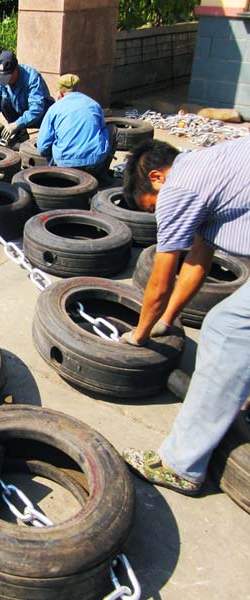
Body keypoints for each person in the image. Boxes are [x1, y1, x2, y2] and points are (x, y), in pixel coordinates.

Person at [119, 136, 250, 496]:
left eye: (151, 207)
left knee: (227, 328)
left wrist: (140, 334)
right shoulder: (208, 170)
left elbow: (161, 281)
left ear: (158, 178)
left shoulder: (178, 190)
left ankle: (181, 465)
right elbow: (197, 262)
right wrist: (167, 321)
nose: (157, 215)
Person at [36, 74, 116, 180]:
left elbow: (42, 147)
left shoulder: (54, 109)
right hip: (94, 164)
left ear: (60, 92)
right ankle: (102, 177)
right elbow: (102, 129)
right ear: (78, 88)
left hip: (65, 166)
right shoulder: (93, 104)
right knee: (112, 129)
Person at [0, 50, 54, 147]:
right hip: (20, 110)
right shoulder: (2, 80)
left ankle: (45, 136)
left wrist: (16, 124)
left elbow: (36, 110)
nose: (6, 81)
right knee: (3, 102)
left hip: (41, 115)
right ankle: (21, 134)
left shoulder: (32, 77)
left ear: (16, 70)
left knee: (42, 146)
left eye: (8, 77)